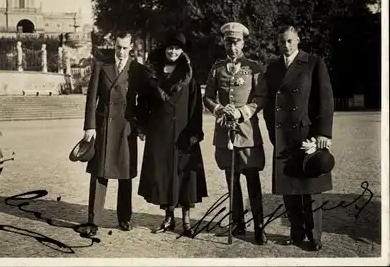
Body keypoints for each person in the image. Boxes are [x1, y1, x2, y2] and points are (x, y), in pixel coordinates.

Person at [262, 26, 334, 251]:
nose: (286, 46)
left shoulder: (313, 62)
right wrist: (273, 133)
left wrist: (322, 133)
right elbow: (267, 104)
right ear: (278, 43)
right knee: (289, 187)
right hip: (283, 136)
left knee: (310, 186)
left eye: (290, 41)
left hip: (307, 135)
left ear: (298, 41)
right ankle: (296, 232)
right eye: (282, 42)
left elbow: (325, 99)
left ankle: (314, 236)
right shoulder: (272, 67)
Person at [135, 33, 208, 237]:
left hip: (184, 134)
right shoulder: (153, 74)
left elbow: (195, 106)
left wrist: (194, 133)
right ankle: (168, 218)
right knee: (164, 175)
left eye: (177, 48)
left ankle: (186, 221)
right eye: (170, 48)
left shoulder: (189, 75)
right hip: (160, 134)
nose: (173, 52)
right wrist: (142, 126)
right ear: (164, 49)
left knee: (184, 175)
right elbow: (143, 102)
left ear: (182, 51)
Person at [203, 22, 268, 245]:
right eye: (229, 42)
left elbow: (261, 97)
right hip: (224, 133)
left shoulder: (254, 67)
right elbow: (208, 97)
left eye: (237, 41)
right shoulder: (217, 68)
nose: (233, 46)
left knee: (252, 178)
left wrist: (242, 111)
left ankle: (259, 226)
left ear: (243, 42)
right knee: (232, 181)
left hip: (247, 131)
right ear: (224, 42)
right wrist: (218, 108)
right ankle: (238, 222)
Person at [81, 31, 141, 236]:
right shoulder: (101, 65)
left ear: (131, 47)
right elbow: (91, 99)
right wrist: (89, 126)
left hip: (126, 129)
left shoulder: (136, 69)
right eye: (118, 47)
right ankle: (93, 219)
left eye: (125, 47)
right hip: (104, 127)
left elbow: (144, 101)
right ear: (113, 45)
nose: (121, 51)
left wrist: (140, 127)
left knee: (125, 175)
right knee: (99, 174)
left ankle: (124, 218)